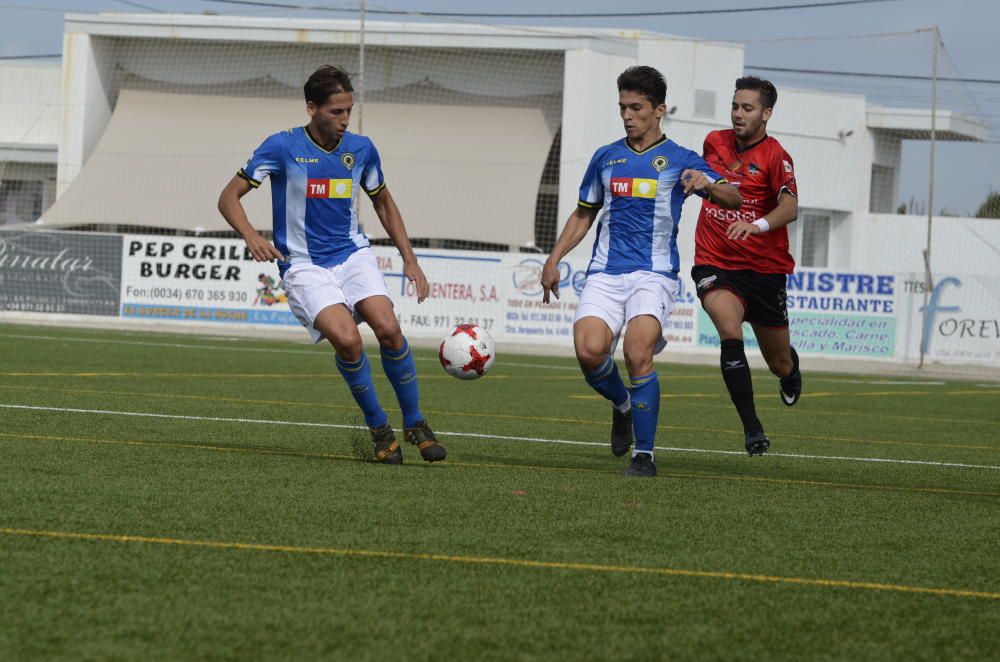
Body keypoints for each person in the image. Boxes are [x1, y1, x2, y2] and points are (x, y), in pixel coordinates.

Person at [217, 64, 445, 465]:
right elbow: (228, 197)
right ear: (311, 108)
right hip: (303, 264)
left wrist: (410, 259)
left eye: (348, 111)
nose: (344, 120)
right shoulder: (281, 146)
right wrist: (251, 234)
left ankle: (415, 422)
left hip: (351, 253)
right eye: (335, 112)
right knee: (348, 340)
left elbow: (383, 202)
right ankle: (378, 427)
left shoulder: (361, 149)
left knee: (389, 328)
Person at [541, 66, 741, 478]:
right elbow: (584, 214)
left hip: (654, 274)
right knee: (589, 351)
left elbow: (733, 197)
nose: (628, 115)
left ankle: (644, 455)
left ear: (659, 110)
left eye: (636, 107)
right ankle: (624, 407)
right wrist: (554, 257)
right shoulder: (606, 157)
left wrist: (706, 182)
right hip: (605, 273)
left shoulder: (682, 159)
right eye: (623, 108)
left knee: (636, 352)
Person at [692, 76, 803, 457]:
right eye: (735, 106)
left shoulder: (777, 156)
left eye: (748, 108)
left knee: (778, 362)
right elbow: (702, 180)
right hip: (715, 262)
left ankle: (790, 369)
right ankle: (752, 428)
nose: (738, 114)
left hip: (764, 270)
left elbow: (790, 208)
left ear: (766, 114)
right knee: (728, 328)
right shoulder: (713, 142)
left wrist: (755, 226)